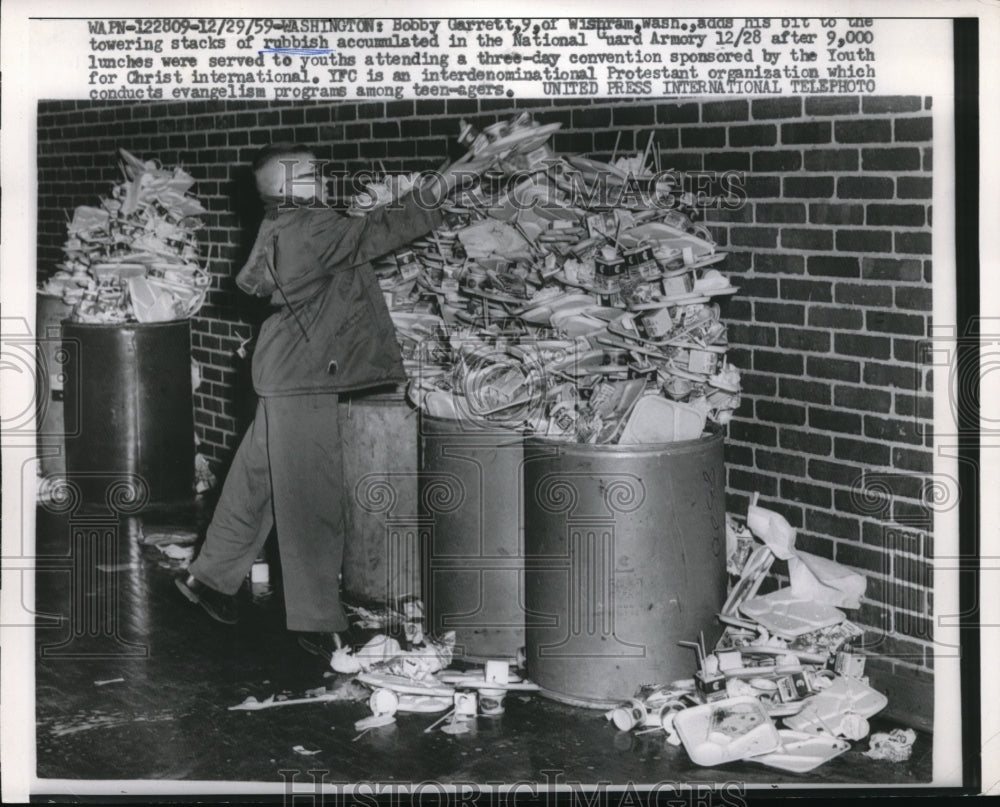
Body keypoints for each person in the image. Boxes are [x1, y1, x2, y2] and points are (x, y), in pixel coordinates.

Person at [176, 142, 488, 660]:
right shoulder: (309, 226)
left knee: (257, 487)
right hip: (301, 381)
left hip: (283, 375)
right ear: (284, 186)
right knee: (313, 502)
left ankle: (209, 580)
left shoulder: (286, 222)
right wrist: (449, 180)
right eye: (308, 171)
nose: (320, 174)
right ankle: (317, 621)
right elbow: (379, 231)